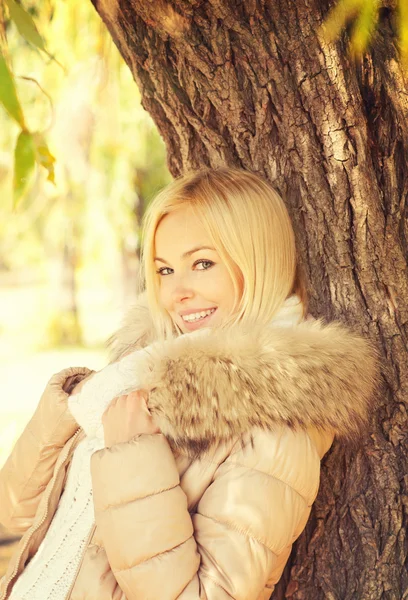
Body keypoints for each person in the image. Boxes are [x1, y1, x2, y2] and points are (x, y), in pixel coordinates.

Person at [0, 168, 378, 599]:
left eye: (202, 263)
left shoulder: (275, 424)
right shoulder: (136, 372)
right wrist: (76, 401)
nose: (176, 292)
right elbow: (13, 513)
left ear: (258, 260)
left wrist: (132, 457)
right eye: (163, 270)